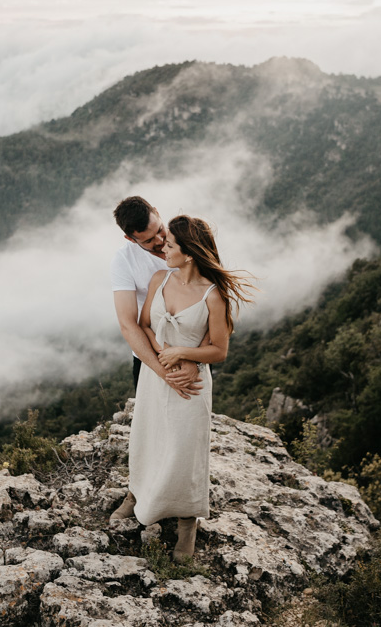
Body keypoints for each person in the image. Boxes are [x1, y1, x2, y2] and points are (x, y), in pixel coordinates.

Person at [112, 214, 255, 562]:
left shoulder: (213, 295)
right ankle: (137, 494)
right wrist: (165, 359)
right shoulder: (160, 278)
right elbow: (144, 325)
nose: (163, 248)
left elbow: (219, 350)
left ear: (188, 253)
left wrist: (185, 355)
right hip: (156, 376)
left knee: (185, 450)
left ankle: (188, 522)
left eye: (170, 245)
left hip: (190, 384)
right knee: (147, 436)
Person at [110, 197, 203, 394]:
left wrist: (195, 359)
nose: (160, 241)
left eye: (160, 230)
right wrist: (165, 374)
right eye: (149, 240)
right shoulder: (124, 260)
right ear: (130, 239)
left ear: (157, 212)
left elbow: (215, 302)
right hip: (151, 356)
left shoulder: (189, 239)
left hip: (195, 352)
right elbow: (128, 324)